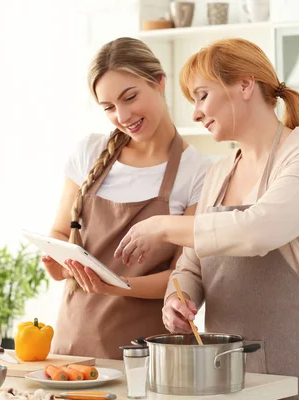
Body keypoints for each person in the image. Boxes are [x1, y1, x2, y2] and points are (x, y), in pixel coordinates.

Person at [114, 38, 299, 399]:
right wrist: (177, 299)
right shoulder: (218, 173)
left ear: (244, 84)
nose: (194, 113)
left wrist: (162, 226)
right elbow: (191, 265)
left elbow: (257, 230)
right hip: (229, 373)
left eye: (202, 95)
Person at [42, 37, 211, 359]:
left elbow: (184, 275)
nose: (122, 115)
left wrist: (112, 284)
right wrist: (58, 263)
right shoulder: (89, 152)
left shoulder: (198, 171)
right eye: (108, 107)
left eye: (130, 97)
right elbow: (60, 233)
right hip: (73, 347)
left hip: (150, 354)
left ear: (159, 83)